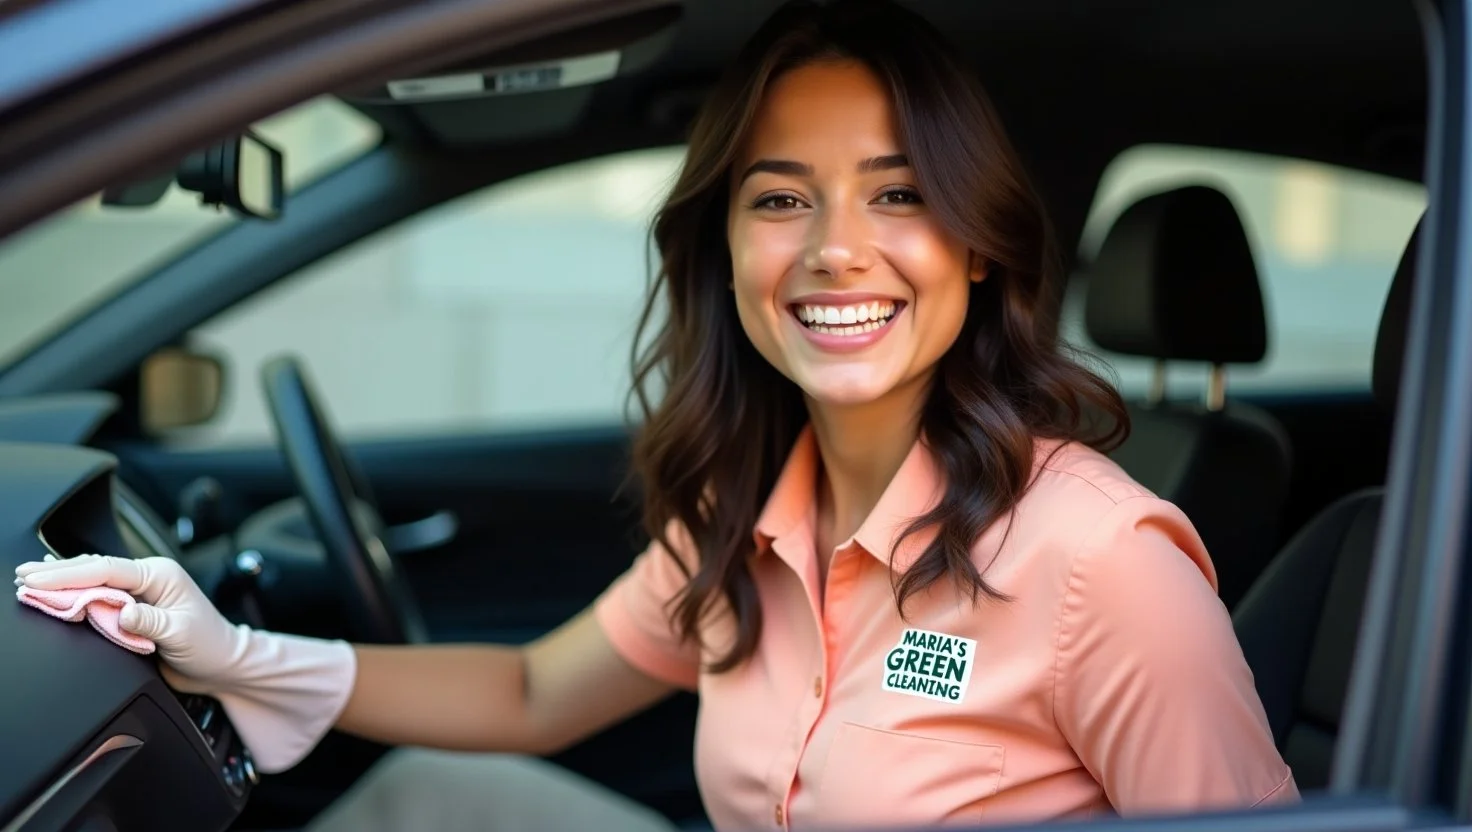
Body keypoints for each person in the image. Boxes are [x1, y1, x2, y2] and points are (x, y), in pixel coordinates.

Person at [14, 0, 1297, 828]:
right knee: (419, 798)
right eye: (780, 199)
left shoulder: (1100, 563)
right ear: (723, 251)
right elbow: (529, 689)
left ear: (976, 247)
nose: (833, 250)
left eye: (897, 194)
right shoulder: (746, 507)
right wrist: (234, 653)